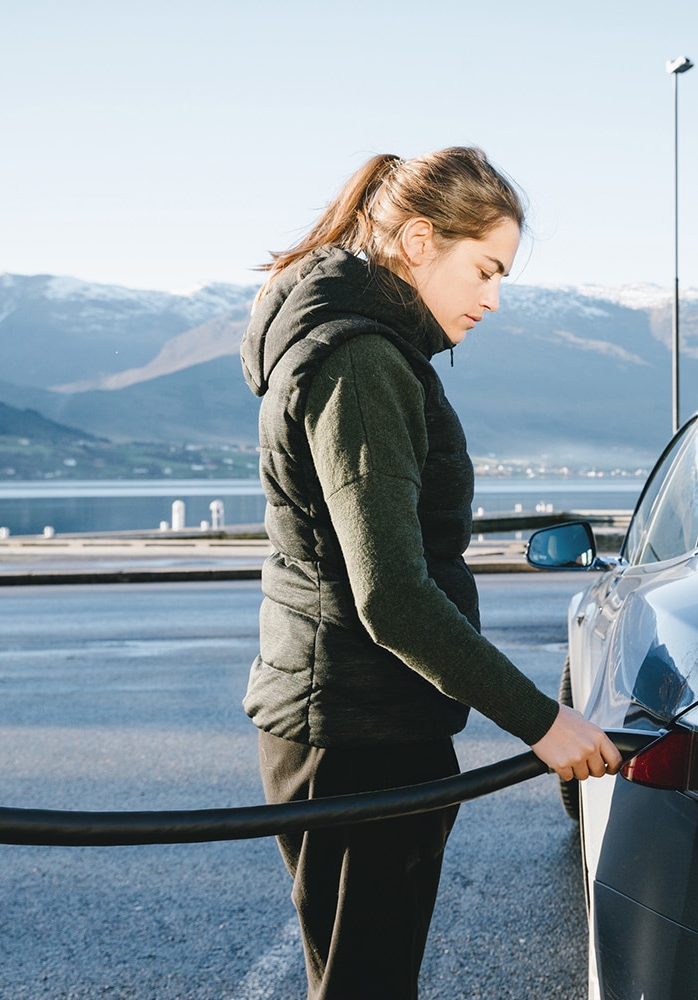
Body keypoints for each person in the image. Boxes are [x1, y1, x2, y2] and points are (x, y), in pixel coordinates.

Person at [240, 146, 621, 999]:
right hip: (359, 730)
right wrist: (541, 722)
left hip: (348, 716)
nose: (492, 298)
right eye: (484, 268)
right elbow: (393, 595)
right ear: (418, 241)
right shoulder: (362, 364)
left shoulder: (355, 348)